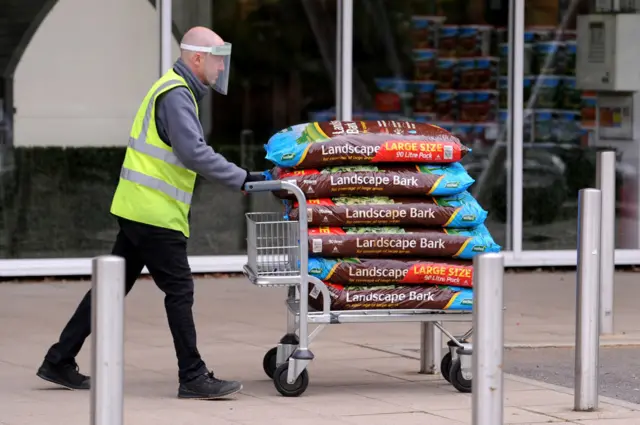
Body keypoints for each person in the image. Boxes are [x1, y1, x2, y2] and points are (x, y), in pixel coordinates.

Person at [36, 26, 265, 400]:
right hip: (154, 213)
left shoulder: (174, 88)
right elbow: (193, 153)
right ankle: (192, 375)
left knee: (112, 287)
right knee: (179, 289)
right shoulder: (176, 94)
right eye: (217, 61)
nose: (221, 69)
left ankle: (59, 359)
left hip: (138, 207)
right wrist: (242, 178)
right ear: (197, 58)